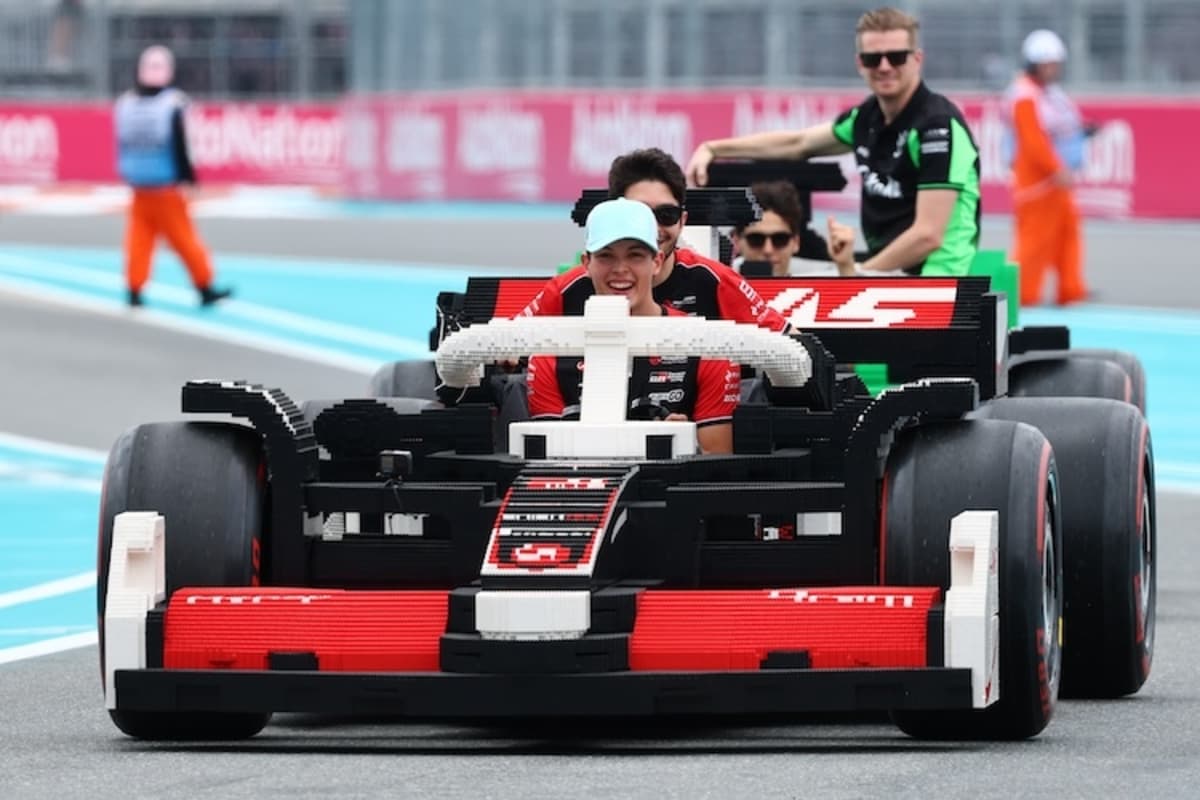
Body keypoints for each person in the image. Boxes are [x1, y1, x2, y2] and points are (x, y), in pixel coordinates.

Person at [685, 7, 981, 278]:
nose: (884, 66)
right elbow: (798, 143)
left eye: (896, 57)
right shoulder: (865, 119)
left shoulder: (938, 127)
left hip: (938, 281)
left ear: (917, 59)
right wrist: (714, 148)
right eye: (873, 58)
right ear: (860, 63)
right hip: (888, 274)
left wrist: (854, 274)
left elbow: (929, 235)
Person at [525, 198, 740, 454]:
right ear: (586, 263)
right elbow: (546, 462)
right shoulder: (549, 354)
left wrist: (686, 446)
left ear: (657, 261)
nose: (620, 269)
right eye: (606, 256)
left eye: (635, 255)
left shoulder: (709, 347)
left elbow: (717, 463)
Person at [520, 148, 790, 332]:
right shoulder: (568, 288)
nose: (653, 228)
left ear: (682, 220)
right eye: (640, 214)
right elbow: (507, 347)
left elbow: (794, 345)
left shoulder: (716, 281)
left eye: (666, 215)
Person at [114, 45, 232, 308]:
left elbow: (122, 144)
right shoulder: (172, 104)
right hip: (165, 187)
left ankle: (134, 288)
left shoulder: (126, 104)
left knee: (139, 239)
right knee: (184, 239)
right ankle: (204, 285)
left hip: (138, 185)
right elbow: (180, 145)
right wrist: (189, 178)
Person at [1004, 29, 1090, 306]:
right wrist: (1056, 169)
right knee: (1034, 241)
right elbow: (1033, 140)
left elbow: (1062, 127)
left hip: (1056, 181)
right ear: (1034, 63)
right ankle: (1021, 295)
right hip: (1037, 183)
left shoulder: (1049, 93)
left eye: (1056, 64)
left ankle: (1071, 289)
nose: (1054, 69)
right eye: (1048, 64)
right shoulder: (1024, 94)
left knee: (1067, 233)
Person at [732, 180, 836, 276]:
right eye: (756, 239)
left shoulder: (820, 280)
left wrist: (844, 266)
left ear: (796, 242)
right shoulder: (722, 285)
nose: (768, 250)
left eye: (780, 239)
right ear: (737, 242)